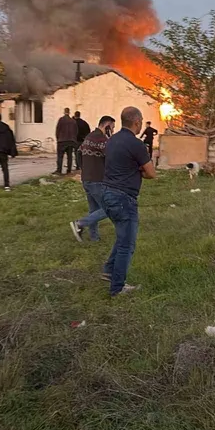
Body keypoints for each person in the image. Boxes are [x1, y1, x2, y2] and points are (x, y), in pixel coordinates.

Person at [101, 106, 156, 297]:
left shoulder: (112, 140)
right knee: (127, 244)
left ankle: (109, 269)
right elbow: (151, 173)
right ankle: (117, 288)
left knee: (122, 236)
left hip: (107, 194)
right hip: (124, 198)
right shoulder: (136, 144)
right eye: (141, 121)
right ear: (137, 121)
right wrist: (138, 170)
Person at [70, 115, 115, 243]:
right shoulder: (102, 140)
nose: (112, 130)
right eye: (111, 128)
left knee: (94, 210)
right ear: (106, 126)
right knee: (109, 208)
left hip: (86, 178)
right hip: (97, 179)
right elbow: (111, 156)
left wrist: (84, 168)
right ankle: (79, 223)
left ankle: (94, 238)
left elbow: (79, 153)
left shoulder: (89, 137)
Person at [55, 107, 77, 174]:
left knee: (60, 156)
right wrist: (73, 139)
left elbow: (57, 130)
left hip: (62, 140)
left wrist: (58, 138)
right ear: (69, 112)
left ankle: (59, 170)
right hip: (71, 141)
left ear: (64, 112)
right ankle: (69, 170)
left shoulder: (61, 120)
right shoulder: (73, 121)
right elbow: (76, 131)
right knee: (69, 156)